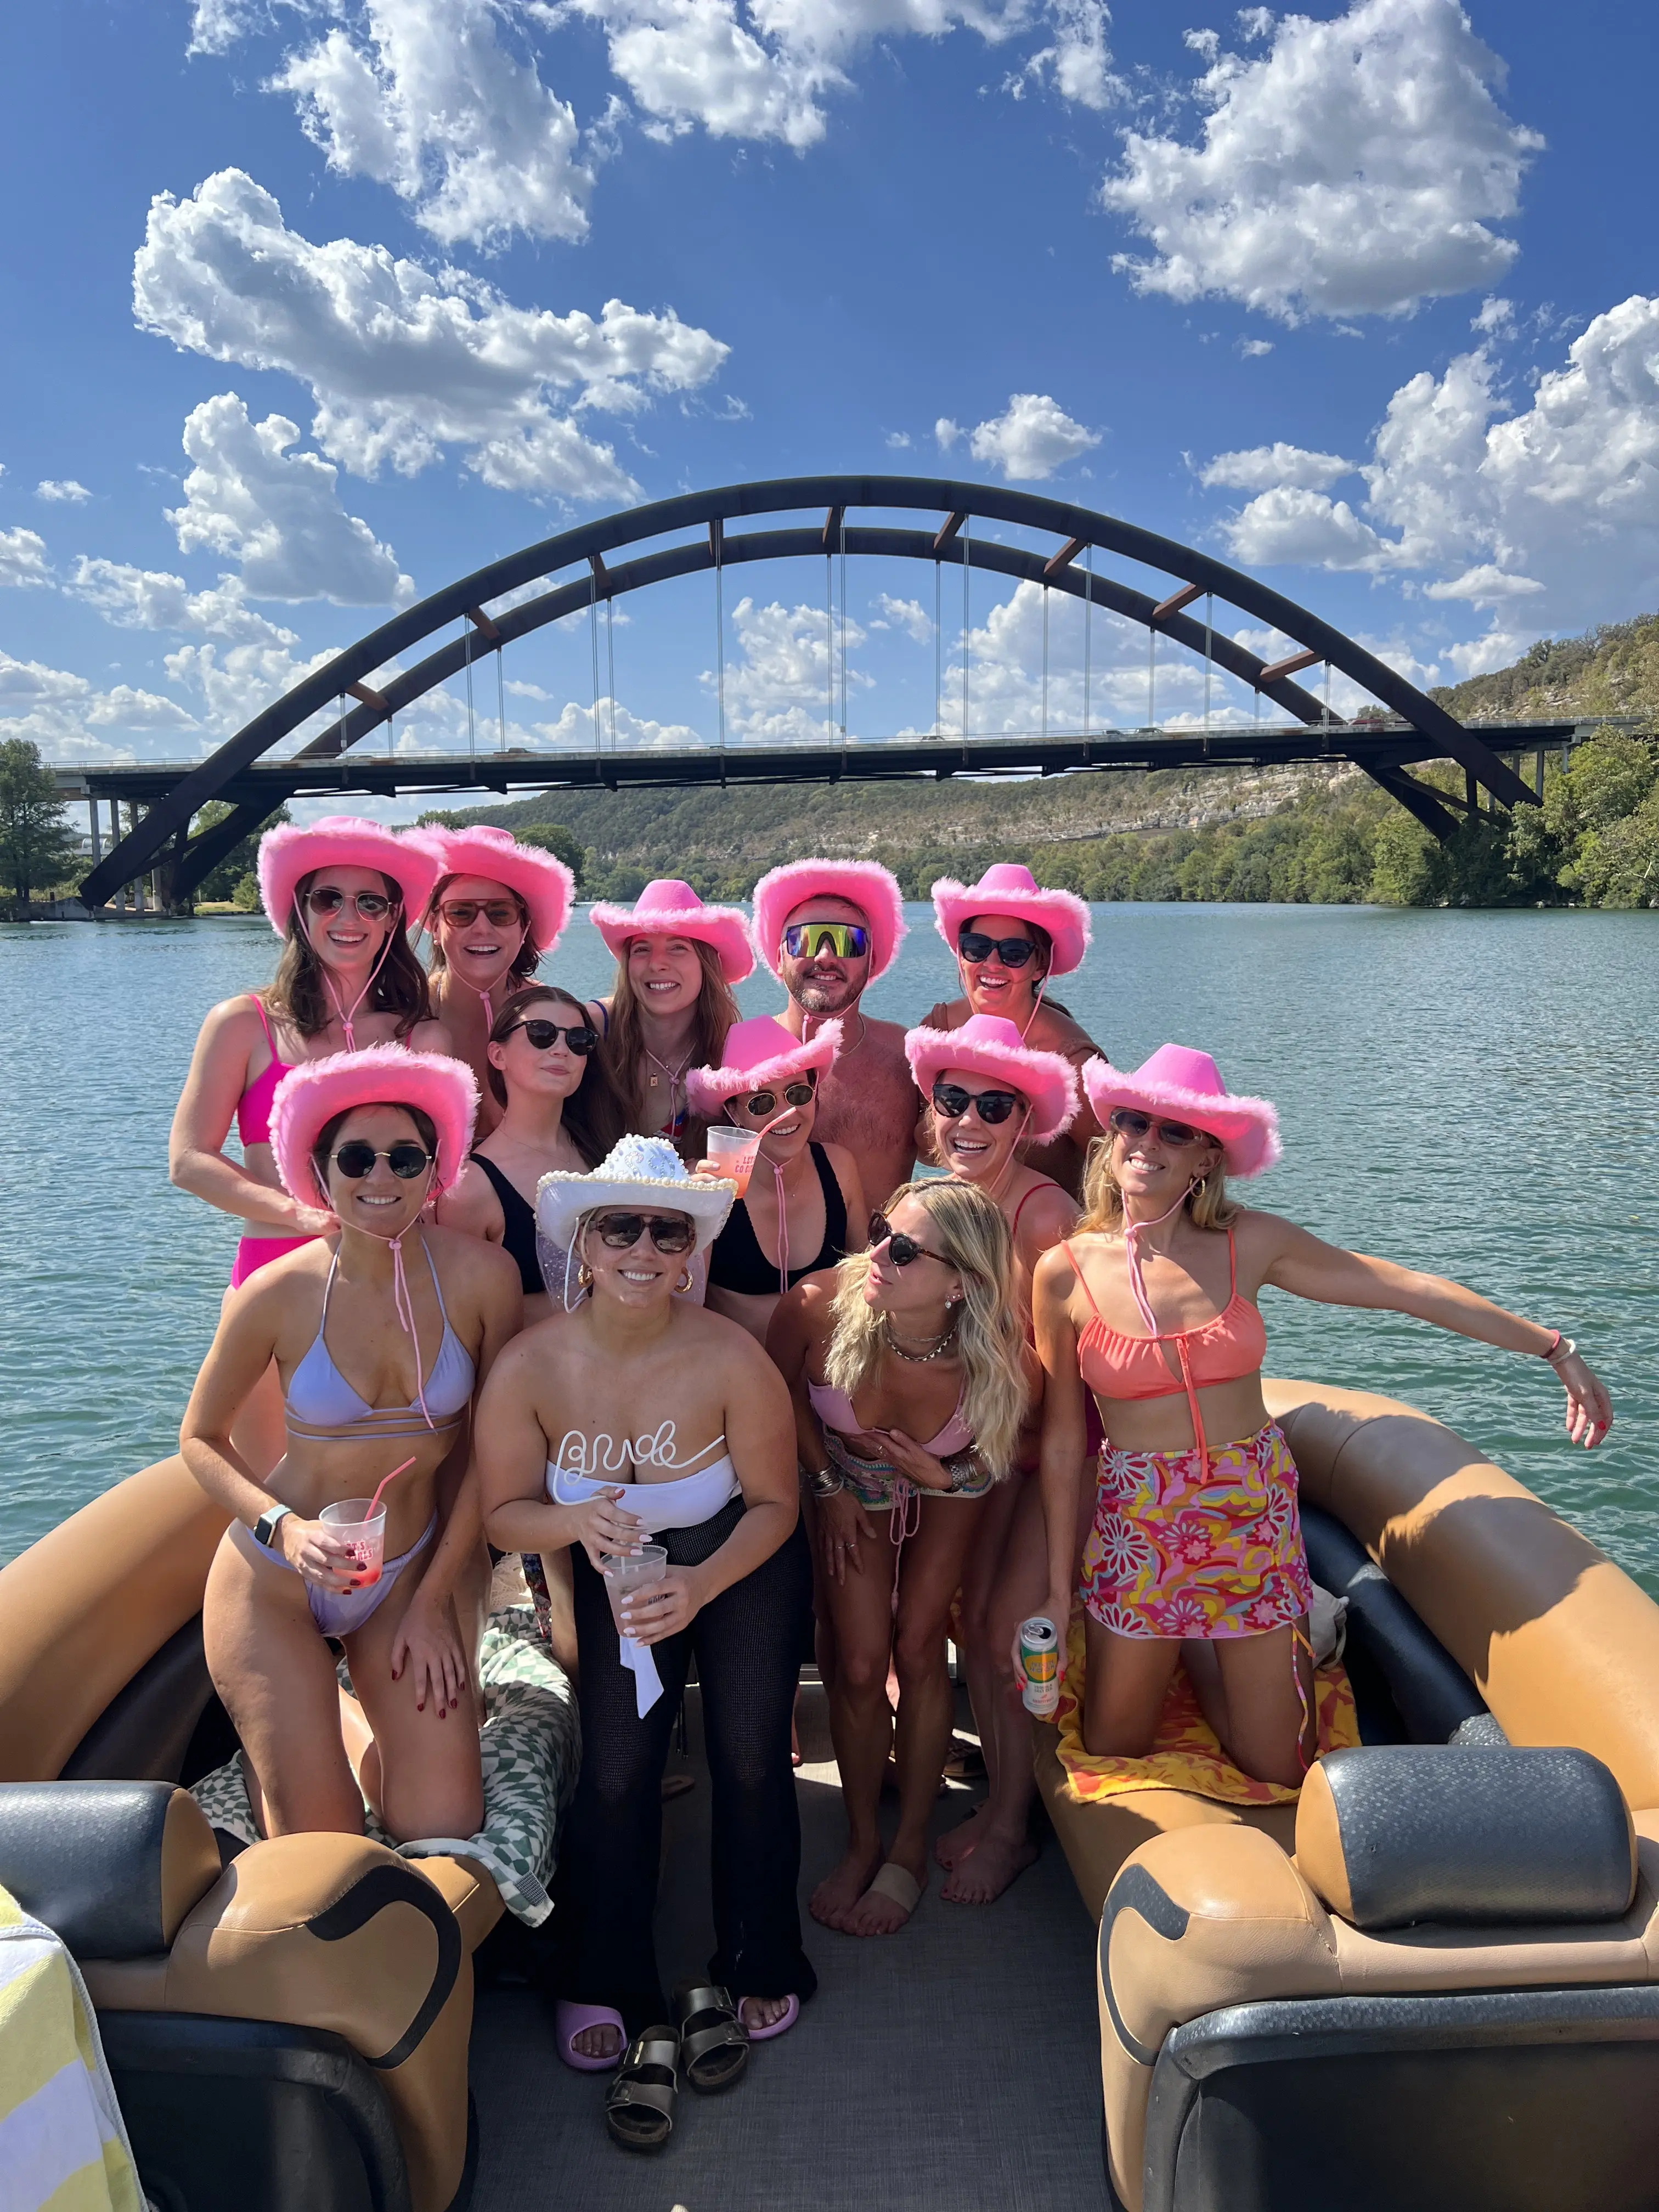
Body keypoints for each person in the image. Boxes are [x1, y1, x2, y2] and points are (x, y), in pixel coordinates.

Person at [1034, 1044, 1615, 1788]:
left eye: (1174, 1132)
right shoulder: (1065, 1272)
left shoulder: (1251, 1244)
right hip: (1139, 1525)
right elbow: (1059, 1445)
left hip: (1250, 1515)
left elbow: (1403, 1287)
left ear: (1206, 1159)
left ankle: (1203, 1647)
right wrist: (1058, 1585)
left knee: (1277, 1763)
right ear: (1111, 1137)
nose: (1147, 1143)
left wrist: (1555, 1348)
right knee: (1116, 1745)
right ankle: (1182, 1643)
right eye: (1132, 1123)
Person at [476, 1136, 812, 2089]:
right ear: (581, 1243)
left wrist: (701, 1586)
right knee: (617, 1772)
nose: (643, 1249)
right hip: (612, 1563)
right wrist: (571, 1519)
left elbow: (776, 1504)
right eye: (618, 1226)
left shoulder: (729, 1358)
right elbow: (500, 1510)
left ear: (689, 1250)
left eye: (666, 1231)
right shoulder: (530, 1366)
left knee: (747, 1757)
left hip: (737, 1557)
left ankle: (756, 1956)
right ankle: (605, 1972)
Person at [179, 1047, 522, 1844]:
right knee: (322, 1844)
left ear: (436, 1169)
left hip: (403, 1575)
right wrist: (285, 1531)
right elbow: (199, 1440)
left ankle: (342, 1720)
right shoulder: (278, 1292)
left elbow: (487, 1452)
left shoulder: (484, 1280)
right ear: (318, 1169)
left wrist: (436, 1599)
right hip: (274, 1582)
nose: (382, 1176)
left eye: (406, 1157)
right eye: (356, 1157)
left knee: (440, 1820)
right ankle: (304, 1715)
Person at [769, 1181, 1035, 1936]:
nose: (876, 1253)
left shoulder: (996, 1354)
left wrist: (946, 1475)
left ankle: (910, 1848)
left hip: (947, 1486)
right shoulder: (819, 1305)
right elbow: (776, 1387)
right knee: (856, 1661)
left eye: (906, 1249)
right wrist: (825, 1484)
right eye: (883, 1231)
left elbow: (1016, 1446)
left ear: (963, 1284)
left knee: (920, 1646)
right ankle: (861, 1840)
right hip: (842, 1478)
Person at [170, 817, 447, 1474]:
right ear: (298, 910)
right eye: (329, 898)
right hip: (273, 1267)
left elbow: (444, 1171)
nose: (348, 916)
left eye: (370, 902)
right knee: (279, 1473)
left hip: (398, 1271)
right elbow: (188, 1159)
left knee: (398, 1472)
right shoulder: (243, 1022)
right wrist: (299, 1214)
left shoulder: (422, 1037)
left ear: (391, 919)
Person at [904, 1015, 1080, 1903]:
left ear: (1025, 1119)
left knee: (1007, 1629)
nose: (968, 1119)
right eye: (952, 1099)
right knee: (970, 1629)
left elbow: (1067, 1378)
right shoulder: (933, 1200)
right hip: (975, 1458)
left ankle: (1012, 1825)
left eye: (993, 1105)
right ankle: (1005, 1803)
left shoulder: (1047, 1214)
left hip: (1037, 1457)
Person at [436, 984, 629, 1324]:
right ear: (498, 1055)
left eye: (578, 1040)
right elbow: (466, 1317)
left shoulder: (612, 1152)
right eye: (541, 1033)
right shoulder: (470, 1189)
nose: (561, 1049)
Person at [917, 862, 1106, 1198]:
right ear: (961, 954)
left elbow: (1111, 1170)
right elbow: (917, 1142)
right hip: (969, 1223)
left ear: (1040, 966)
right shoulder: (940, 1029)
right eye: (976, 946)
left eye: (1014, 953)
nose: (992, 963)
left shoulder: (1072, 1058)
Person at [686, 1015, 867, 1345]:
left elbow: (866, 1283)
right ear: (734, 1113)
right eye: (761, 1102)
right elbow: (681, 1306)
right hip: (739, 1381)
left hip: (825, 1377)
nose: (785, 1113)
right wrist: (694, 1217)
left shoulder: (840, 1168)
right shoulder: (706, 1180)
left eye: (797, 1093)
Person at [749, 860, 920, 1203]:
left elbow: (973, 1149)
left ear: (872, 960)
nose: (826, 956)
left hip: (880, 1256)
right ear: (779, 956)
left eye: (849, 942)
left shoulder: (907, 1059)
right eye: (806, 939)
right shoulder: (742, 1057)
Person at [409, 823, 575, 1137]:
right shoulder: (404, 1018)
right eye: (461, 913)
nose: (482, 928)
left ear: (524, 927)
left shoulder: (556, 1020)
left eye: (500, 913)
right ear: (434, 925)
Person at [586, 879, 751, 1146]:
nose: (657, 963)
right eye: (642, 949)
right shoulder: (591, 1030)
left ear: (705, 964)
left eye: (678, 948)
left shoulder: (730, 1051)